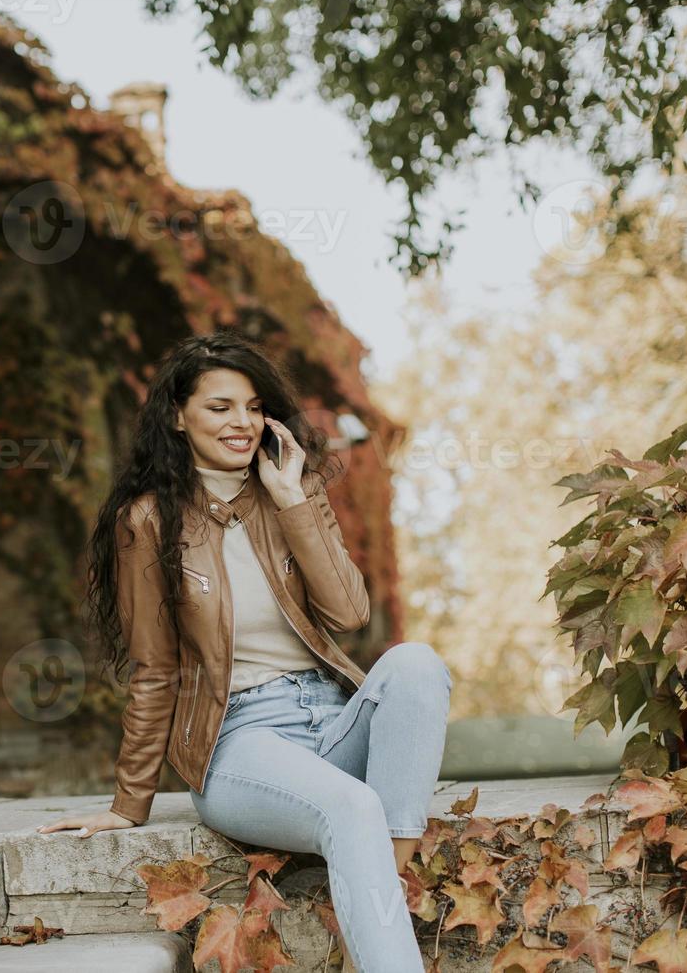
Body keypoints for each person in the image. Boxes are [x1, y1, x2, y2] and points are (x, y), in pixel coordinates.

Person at [37, 331, 451, 972]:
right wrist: (128, 803)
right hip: (241, 741)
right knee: (353, 806)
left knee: (417, 664)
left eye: (254, 407)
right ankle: (383, 926)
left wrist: (290, 502)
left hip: (331, 724)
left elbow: (349, 613)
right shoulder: (148, 520)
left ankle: (377, 899)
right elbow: (155, 668)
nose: (243, 423)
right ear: (178, 416)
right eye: (220, 406)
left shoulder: (293, 493)